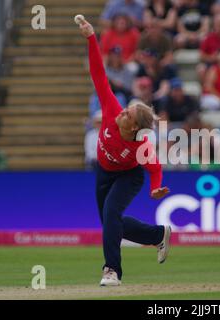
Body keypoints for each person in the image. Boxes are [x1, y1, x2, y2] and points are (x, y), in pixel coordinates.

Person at [78, 18, 172, 286]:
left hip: (129, 177)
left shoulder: (141, 143)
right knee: (110, 223)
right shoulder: (110, 108)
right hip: (103, 172)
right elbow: (98, 73)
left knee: (110, 217)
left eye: (128, 114)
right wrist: (91, 38)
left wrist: (156, 188)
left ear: (134, 127)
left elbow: (154, 167)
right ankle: (158, 236)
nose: (122, 112)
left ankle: (112, 271)